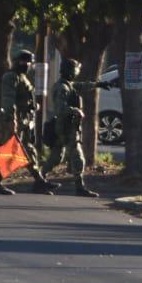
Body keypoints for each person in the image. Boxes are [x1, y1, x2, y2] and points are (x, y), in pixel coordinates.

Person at [40, 55, 116, 197]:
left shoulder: (68, 85)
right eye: (76, 70)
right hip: (66, 128)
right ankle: (79, 187)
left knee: (56, 157)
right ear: (70, 70)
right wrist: (75, 110)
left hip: (65, 127)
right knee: (78, 157)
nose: (77, 72)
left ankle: (39, 179)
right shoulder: (62, 87)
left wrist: (99, 84)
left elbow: (82, 85)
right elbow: (60, 108)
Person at [0, 48, 55, 196]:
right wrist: (11, 119)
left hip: (24, 120)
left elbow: (25, 98)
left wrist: (33, 106)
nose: (26, 65)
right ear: (16, 62)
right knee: (10, 151)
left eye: (28, 62)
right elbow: (8, 100)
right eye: (23, 62)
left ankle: (39, 182)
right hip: (14, 120)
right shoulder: (11, 77)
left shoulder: (23, 77)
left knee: (29, 151)